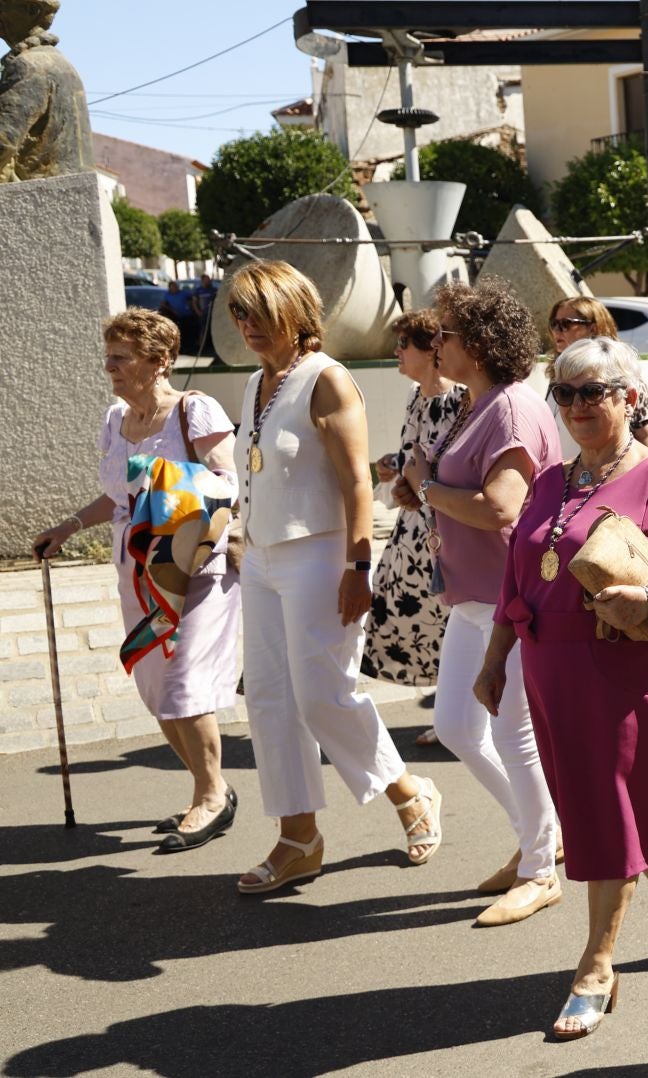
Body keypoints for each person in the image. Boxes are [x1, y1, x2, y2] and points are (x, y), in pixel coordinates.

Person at [483, 336, 648, 1038]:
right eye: (566, 393)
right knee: (609, 809)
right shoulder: (552, 480)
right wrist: (495, 656)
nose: (579, 406)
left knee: (605, 816)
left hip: (624, 674)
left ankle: (596, 965)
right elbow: (515, 580)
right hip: (551, 672)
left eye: (595, 391)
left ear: (628, 397)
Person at [224, 260, 443, 894]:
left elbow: (354, 482)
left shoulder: (327, 380)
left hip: (322, 557)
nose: (248, 326)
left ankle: (410, 792)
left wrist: (358, 566)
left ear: (296, 312)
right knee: (268, 700)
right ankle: (299, 837)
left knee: (323, 694)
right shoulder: (254, 383)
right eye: (240, 314)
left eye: (260, 313)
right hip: (263, 557)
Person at [32, 309, 240, 851]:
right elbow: (117, 495)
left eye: (121, 357)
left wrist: (164, 495)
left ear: (159, 361)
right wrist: (69, 525)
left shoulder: (195, 411)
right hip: (137, 571)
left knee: (181, 683)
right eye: (110, 357)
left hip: (193, 565)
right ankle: (206, 789)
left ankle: (213, 796)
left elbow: (224, 485)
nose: (110, 368)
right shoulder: (115, 419)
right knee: (154, 687)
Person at [395, 281, 564, 927]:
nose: (435, 344)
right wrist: (425, 487)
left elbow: (502, 505)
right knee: (460, 728)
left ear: (482, 343)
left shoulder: (512, 409)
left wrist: (428, 489)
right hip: (474, 598)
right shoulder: (478, 403)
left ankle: (539, 868)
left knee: (510, 733)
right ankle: (537, 842)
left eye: (446, 334)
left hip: (513, 598)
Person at [364, 311, 463, 747]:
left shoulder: (463, 399)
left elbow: (458, 466)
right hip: (412, 535)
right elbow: (415, 452)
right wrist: (395, 471)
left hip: (448, 529)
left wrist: (417, 487)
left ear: (433, 350)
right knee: (420, 617)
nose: (397, 352)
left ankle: (459, 720)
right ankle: (453, 716)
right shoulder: (414, 396)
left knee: (452, 622)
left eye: (405, 344)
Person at [549, 296, 648, 449]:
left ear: (592, 328)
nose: (556, 330)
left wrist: (647, 471)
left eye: (566, 324)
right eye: (554, 324)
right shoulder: (555, 375)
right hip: (569, 470)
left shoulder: (624, 377)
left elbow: (647, 436)